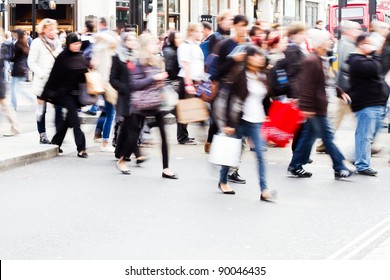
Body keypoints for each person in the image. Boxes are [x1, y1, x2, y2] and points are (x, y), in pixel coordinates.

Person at [287, 29, 353, 179]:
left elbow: (326, 82)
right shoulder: (311, 61)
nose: (331, 41)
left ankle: (295, 165)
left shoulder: (321, 59)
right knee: (328, 137)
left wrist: (340, 92)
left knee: (308, 137)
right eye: (328, 40)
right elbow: (307, 86)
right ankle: (340, 166)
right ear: (321, 44)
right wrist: (308, 107)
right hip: (315, 108)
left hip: (319, 106)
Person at [215, 45, 275, 201]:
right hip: (240, 120)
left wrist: (267, 115)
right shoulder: (239, 75)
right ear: (248, 58)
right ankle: (223, 181)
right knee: (232, 153)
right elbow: (229, 99)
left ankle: (264, 189)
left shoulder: (263, 75)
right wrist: (228, 123)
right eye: (256, 55)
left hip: (257, 121)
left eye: (261, 55)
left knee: (261, 155)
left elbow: (266, 98)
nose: (260, 58)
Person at [41, 33, 89, 158]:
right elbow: (54, 76)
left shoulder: (80, 56)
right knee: (75, 120)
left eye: (79, 43)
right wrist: (46, 94)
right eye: (75, 44)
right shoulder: (62, 57)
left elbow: (84, 74)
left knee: (68, 120)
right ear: (68, 44)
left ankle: (56, 142)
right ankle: (81, 148)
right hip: (64, 93)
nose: (77, 46)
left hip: (76, 94)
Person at [348, 34, 389, 176]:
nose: (373, 47)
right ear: (361, 45)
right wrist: (374, 54)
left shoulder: (365, 59)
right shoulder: (356, 61)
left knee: (367, 135)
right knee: (364, 135)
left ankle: (358, 160)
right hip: (366, 104)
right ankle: (362, 165)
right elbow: (376, 70)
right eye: (369, 44)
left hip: (376, 102)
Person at [28, 18, 64, 144]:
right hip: (42, 81)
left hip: (56, 81)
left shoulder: (57, 43)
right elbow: (31, 62)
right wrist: (42, 74)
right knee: (41, 109)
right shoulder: (37, 42)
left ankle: (59, 133)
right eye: (50, 29)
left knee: (59, 108)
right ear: (43, 30)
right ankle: (42, 135)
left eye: (54, 29)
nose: (53, 32)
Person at [176, 23, 204, 145]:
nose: (200, 34)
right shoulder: (185, 46)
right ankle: (182, 137)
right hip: (188, 79)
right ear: (191, 32)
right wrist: (188, 84)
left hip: (195, 79)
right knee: (185, 108)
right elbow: (186, 66)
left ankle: (184, 134)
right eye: (198, 31)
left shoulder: (195, 45)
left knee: (189, 107)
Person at [90, 31, 118, 152]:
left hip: (105, 83)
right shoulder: (103, 49)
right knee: (110, 113)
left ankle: (105, 140)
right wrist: (102, 34)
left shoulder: (98, 49)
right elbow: (113, 41)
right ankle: (105, 142)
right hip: (107, 84)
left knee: (108, 113)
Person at [10, 29, 35, 111]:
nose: (13, 35)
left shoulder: (17, 44)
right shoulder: (24, 43)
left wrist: (9, 58)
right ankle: (13, 105)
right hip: (22, 68)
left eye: (14, 34)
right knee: (18, 89)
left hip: (18, 68)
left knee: (15, 89)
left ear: (18, 34)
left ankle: (13, 106)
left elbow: (14, 58)